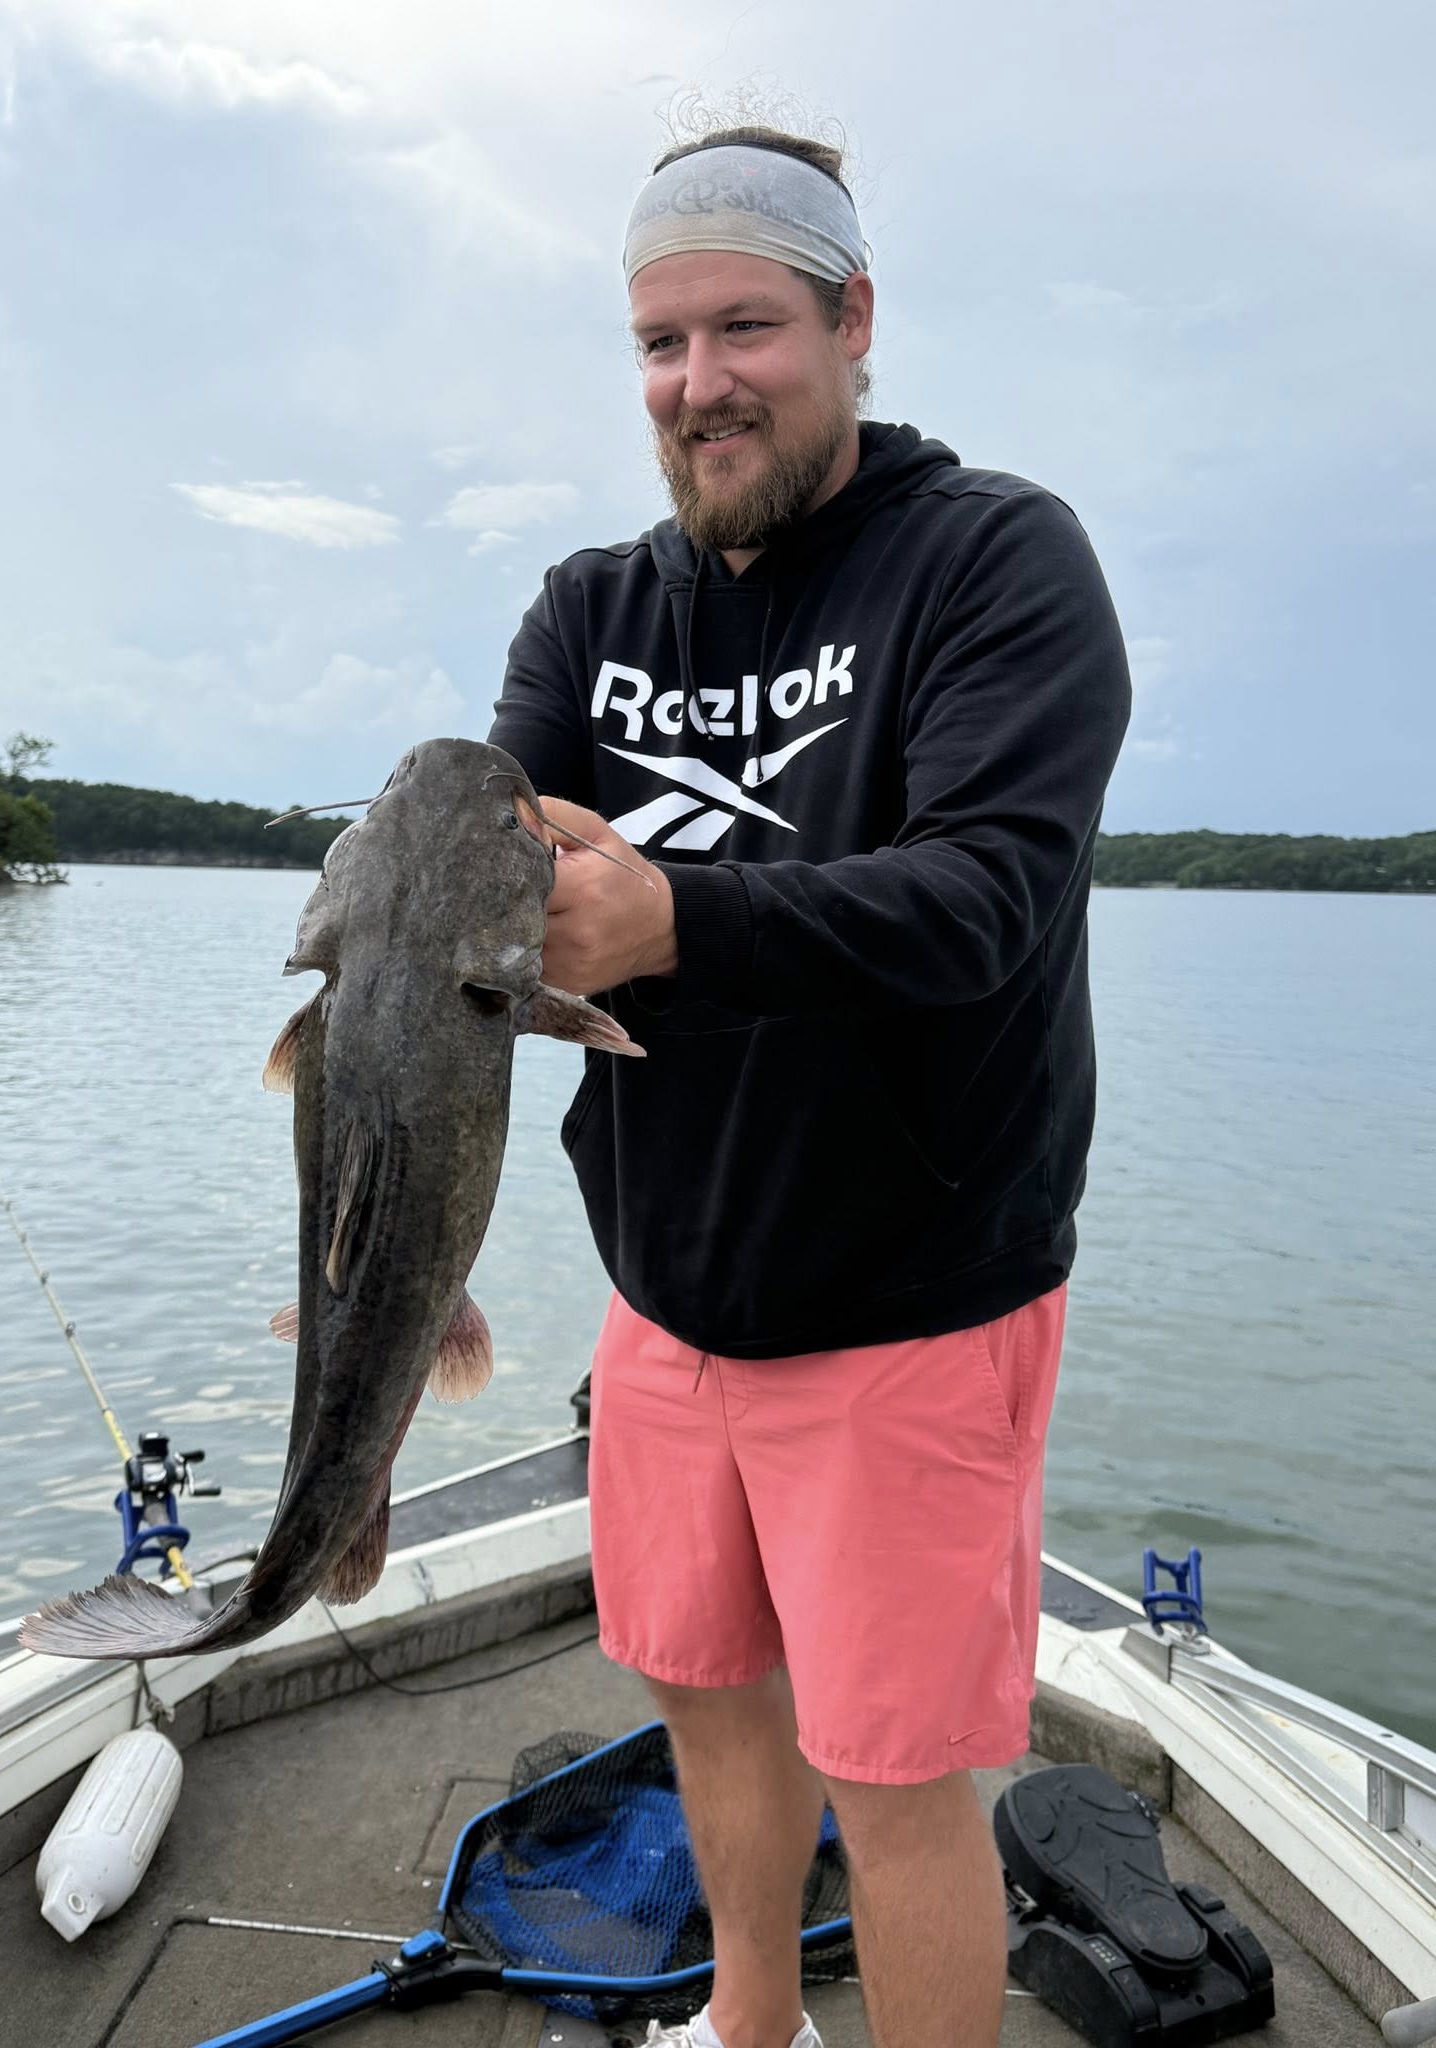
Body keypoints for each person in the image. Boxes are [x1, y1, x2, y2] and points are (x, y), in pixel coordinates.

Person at [488, 123, 1131, 2048]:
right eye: (660, 345)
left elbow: (986, 897)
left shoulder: (994, 559)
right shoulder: (590, 607)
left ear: (853, 320)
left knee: (901, 1776)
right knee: (706, 1694)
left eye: (746, 326)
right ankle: (745, 2022)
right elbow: (486, 832)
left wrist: (672, 917)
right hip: (673, 1287)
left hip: (915, 1295)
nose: (701, 386)